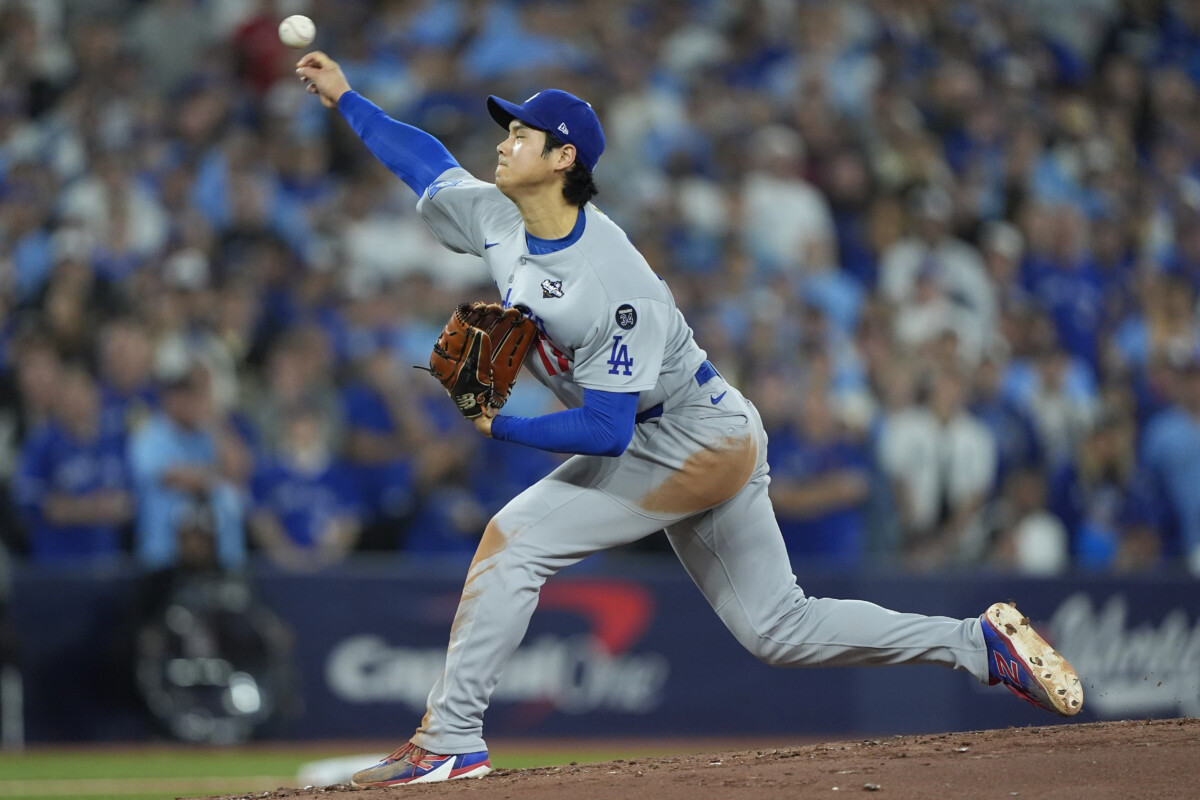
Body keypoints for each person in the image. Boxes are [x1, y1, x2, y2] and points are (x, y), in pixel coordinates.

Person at [294, 51, 1084, 788]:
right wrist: (346, 98)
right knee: (780, 628)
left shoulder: (610, 279)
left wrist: (499, 429)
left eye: (521, 134)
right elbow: (424, 163)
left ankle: (449, 740)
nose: (503, 144)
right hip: (704, 427)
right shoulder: (501, 218)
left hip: (691, 437)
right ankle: (975, 645)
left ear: (563, 157)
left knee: (516, 538)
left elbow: (608, 432)